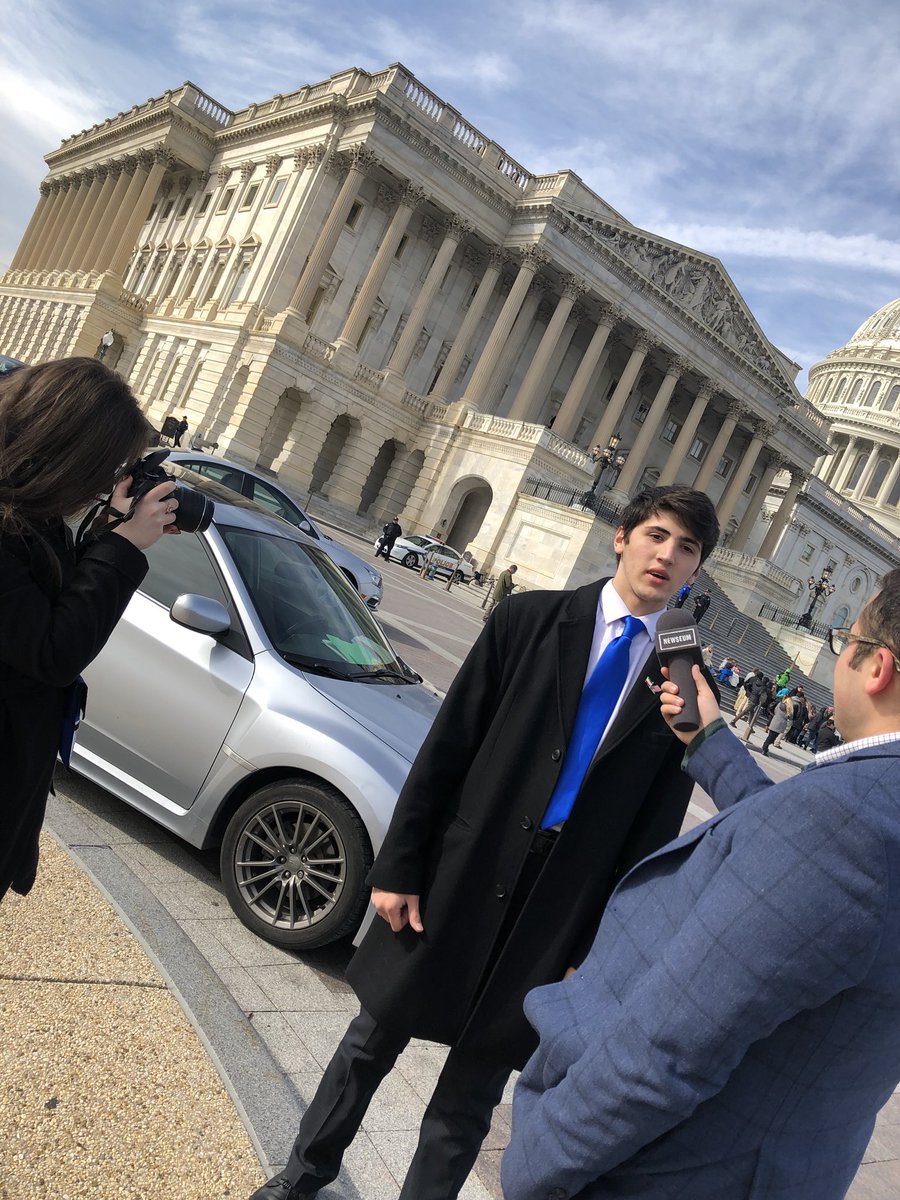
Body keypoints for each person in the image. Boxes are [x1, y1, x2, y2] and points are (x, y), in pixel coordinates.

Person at [249, 485, 721, 1200]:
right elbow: (448, 746)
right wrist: (400, 864)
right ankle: (302, 1177)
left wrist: (596, 953)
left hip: (557, 903)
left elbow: (652, 838)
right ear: (621, 537)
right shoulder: (530, 619)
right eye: (656, 534)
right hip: (459, 871)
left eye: (687, 548)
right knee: (371, 1041)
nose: (667, 555)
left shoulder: (685, 684)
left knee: (473, 1092)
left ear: (695, 571)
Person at [503, 570, 900, 1200]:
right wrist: (710, 739)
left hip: (672, 1172)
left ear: (876, 667)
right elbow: (803, 872)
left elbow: (668, 1051)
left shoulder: (841, 821)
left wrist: (534, 1161)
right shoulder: (871, 812)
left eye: (843, 638)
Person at [0, 358, 177, 902]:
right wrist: (122, 549)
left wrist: (106, 532)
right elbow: (52, 649)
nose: (103, 482)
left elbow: (45, 607)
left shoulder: (33, 516)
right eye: (103, 467)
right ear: (63, 448)